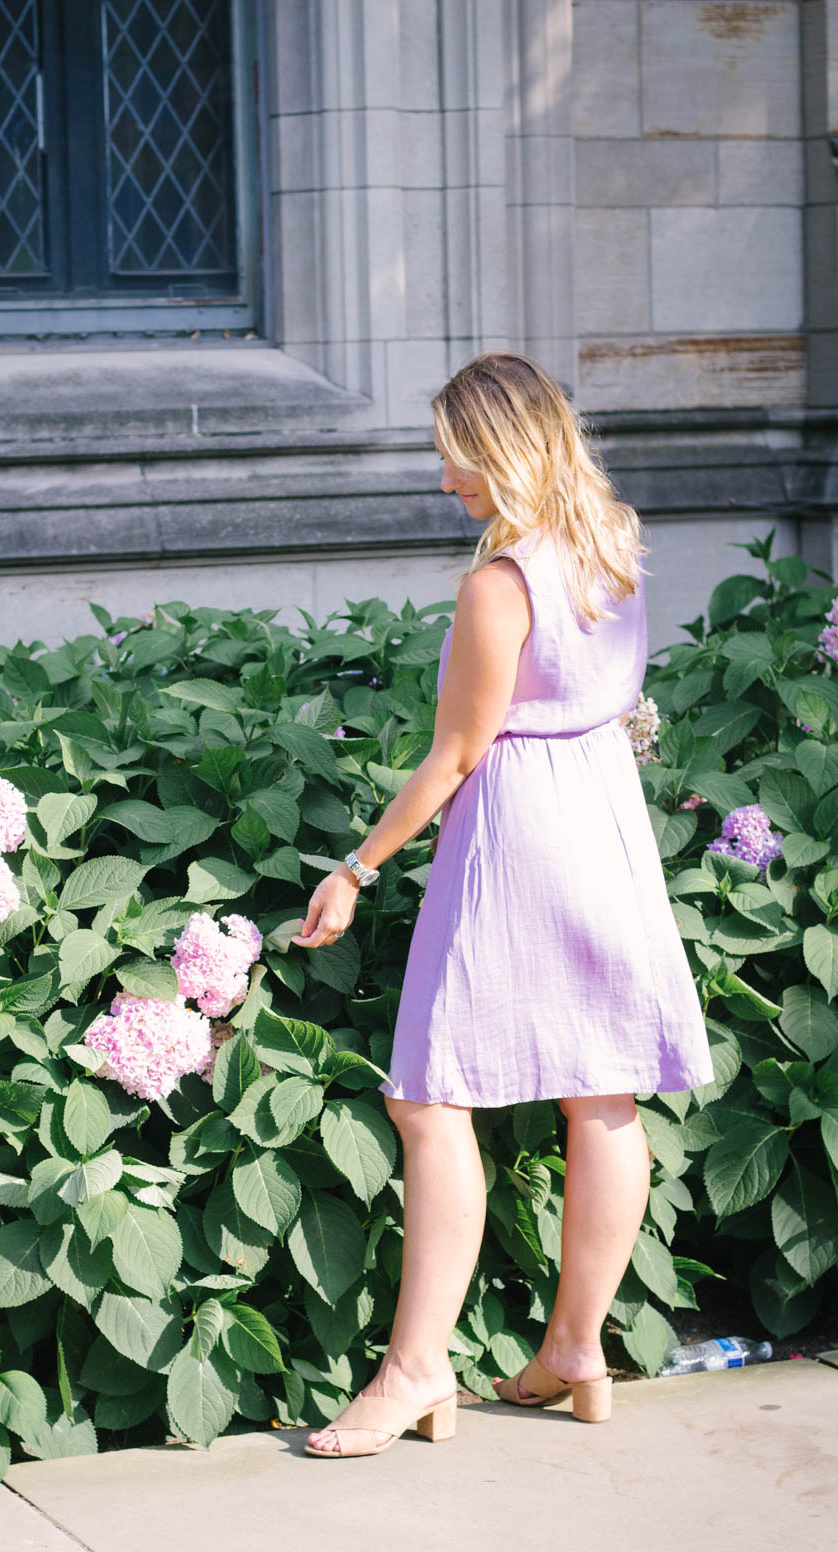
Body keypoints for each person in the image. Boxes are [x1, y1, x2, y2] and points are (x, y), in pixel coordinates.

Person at [289, 350, 714, 1459]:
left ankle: (413, 1365)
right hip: (606, 825)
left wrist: (355, 866)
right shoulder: (607, 543)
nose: (443, 479)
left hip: (519, 833)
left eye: (453, 454)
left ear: (501, 446)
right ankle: (575, 1344)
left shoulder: (500, 581)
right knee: (601, 1091)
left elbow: (455, 755)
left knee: (430, 1099)